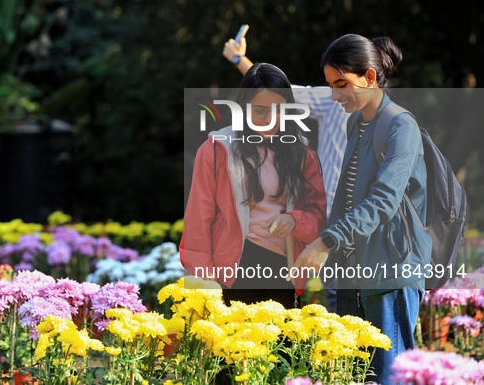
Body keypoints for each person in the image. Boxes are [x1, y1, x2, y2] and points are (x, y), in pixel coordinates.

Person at [292, 34, 431, 385]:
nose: (335, 95)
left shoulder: (402, 126)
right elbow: (345, 196)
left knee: (389, 375)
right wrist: (324, 246)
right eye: (330, 86)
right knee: (359, 376)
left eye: (341, 84)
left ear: (369, 77)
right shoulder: (357, 122)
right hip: (355, 272)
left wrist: (326, 241)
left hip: (392, 271)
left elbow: (384, 199)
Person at [180, 62, 326, 308]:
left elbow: (318, 214)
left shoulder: (303, 153)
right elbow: (198, 220)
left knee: (281, 344)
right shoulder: (217, 149)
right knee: (237, 345)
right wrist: (205, 282)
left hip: (284, 269)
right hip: (233, 269)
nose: (270, 120)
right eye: (260, 111)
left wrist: (294, 220)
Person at [223, 35, 345, 311]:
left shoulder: (390, 123)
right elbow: (280, 91)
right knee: (337, 293)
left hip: (356, 219)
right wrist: (239, 60)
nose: (336, 90)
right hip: (326, 216)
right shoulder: (334, 99)